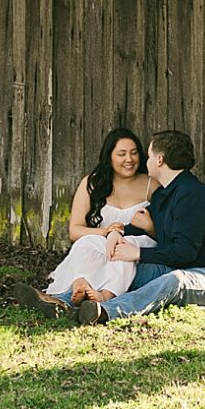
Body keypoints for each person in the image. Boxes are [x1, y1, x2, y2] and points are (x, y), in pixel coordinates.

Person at [70, 129, 205, 323]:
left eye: (149, 156)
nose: (146, 161)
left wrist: (138, 253)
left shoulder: (193, 193)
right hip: (179, 268)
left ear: (159, 160)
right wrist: (116, 232)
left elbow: (184, 253)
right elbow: (136, 225)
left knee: (174, 281)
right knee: (120, 266)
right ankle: (63, 302)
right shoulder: (165, 195)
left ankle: (106, 312)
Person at [31, 125, 156, 314]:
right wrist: (104, 232)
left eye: (134, 153)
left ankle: (105, 296)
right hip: (103, 244)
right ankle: (79, 286)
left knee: (124, 244)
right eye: (121, 154)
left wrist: (147, 227)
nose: (129, 159)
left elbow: (165, 228)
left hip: (139, 245)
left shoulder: (150, 184)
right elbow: (75, 230)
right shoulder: (92, 183)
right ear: (110, 157)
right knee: (87, 242)